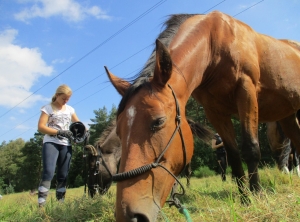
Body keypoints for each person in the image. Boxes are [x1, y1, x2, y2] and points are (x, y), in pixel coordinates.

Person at [37, 84, 82, 207]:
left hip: (65, 144)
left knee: (63, 174)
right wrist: (59, 132)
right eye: (63, 98)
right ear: (57, 95)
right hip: (51, 142)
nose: (65, 101)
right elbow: (41, 127)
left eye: (68, 99)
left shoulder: (70, 110)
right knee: (48, 172)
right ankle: (41, 204)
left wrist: (84, 132)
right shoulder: (48, 108)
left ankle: (60, 204)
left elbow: (78, 124)